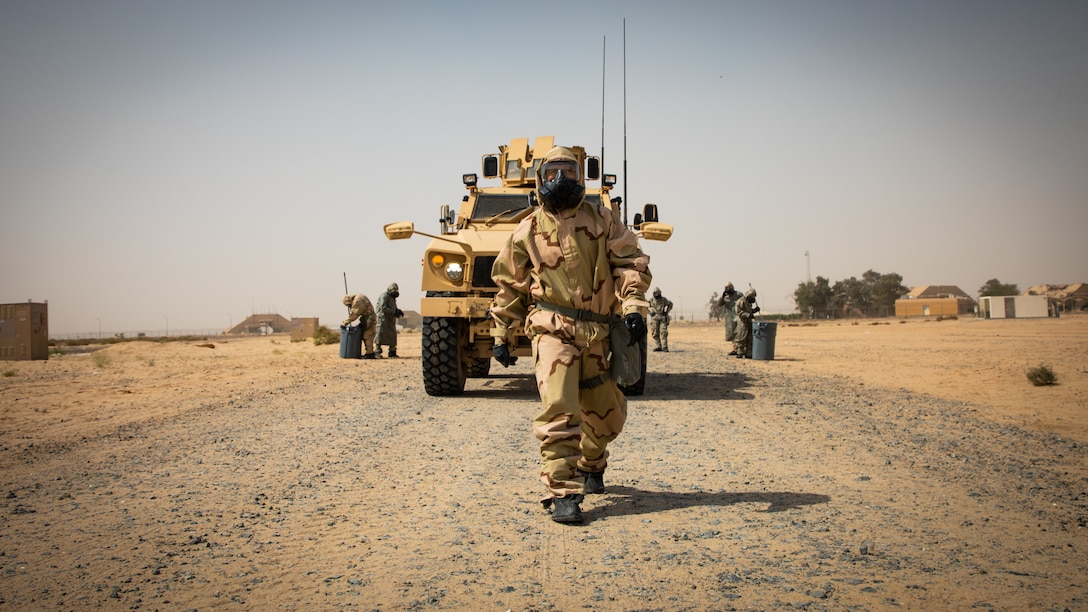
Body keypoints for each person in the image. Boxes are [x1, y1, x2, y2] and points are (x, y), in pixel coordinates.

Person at [490, 145, 651, 525]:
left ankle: (592, 462)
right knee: (561, 407)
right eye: (551, 173)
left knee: (608, 416)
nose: (560, 180)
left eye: (569, 172)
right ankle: (562, 492)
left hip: (596, 331)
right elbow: (508, 283)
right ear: (539, 179)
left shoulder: (602, 219)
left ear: (582, 176)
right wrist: (501, 331)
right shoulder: (527, 229)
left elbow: (629, 262)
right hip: (551, 329)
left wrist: (632, 307)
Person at [342, 293, 378, 359]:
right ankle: (369, 352)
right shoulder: (359, 297)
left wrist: (344, 323)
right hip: (366, 318)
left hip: (369, 318)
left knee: (367, 336)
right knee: (365, 335)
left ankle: (370, 353)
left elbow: (354, 314)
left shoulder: (357, 301)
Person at [376, 282, 403, 358]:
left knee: (392, 335)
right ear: (391, 290)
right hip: (383, 318)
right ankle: (377, 351)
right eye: (395, 290)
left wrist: (398, 311)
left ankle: (392, 351)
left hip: (390, 319)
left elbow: (392, 307)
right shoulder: (384, 296)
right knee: (380, 334)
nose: (396, 292)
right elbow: (383, 308)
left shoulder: (392, 297)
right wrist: (393, 312)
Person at [716, 282, 743, 355]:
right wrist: (722, 296)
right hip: (730, 317)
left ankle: (740, 349)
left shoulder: (738, 294)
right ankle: (735, 348)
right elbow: (719, 304)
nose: (728, 289)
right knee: (732, 333)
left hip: (738, 316)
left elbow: (744, 302)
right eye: (726, 288)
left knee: (739, 333)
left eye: (729, 287)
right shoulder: (725, 297)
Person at [733, 288, 760, 358]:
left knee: (750, 338)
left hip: (749, 323)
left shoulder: (748, 303)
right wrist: (748, 315)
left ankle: (748, 353)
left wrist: (755, 310)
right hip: (742, 323)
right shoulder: (741, 301)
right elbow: (738, 312)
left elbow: (750, 311)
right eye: (752, 297)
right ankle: (740, 352)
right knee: (742, 338)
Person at [648, 287, 673, 352]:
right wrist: (650, 313)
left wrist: (666, 312)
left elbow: (670, 304)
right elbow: (645, 306)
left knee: (663, 332)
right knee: (655, 332)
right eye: (656, 293)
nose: (657, 294)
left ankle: (664, 347)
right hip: (654, 318)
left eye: (658, 293)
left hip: (662, 317)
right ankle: (658, 346)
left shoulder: (664, 299)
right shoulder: (651, 300)